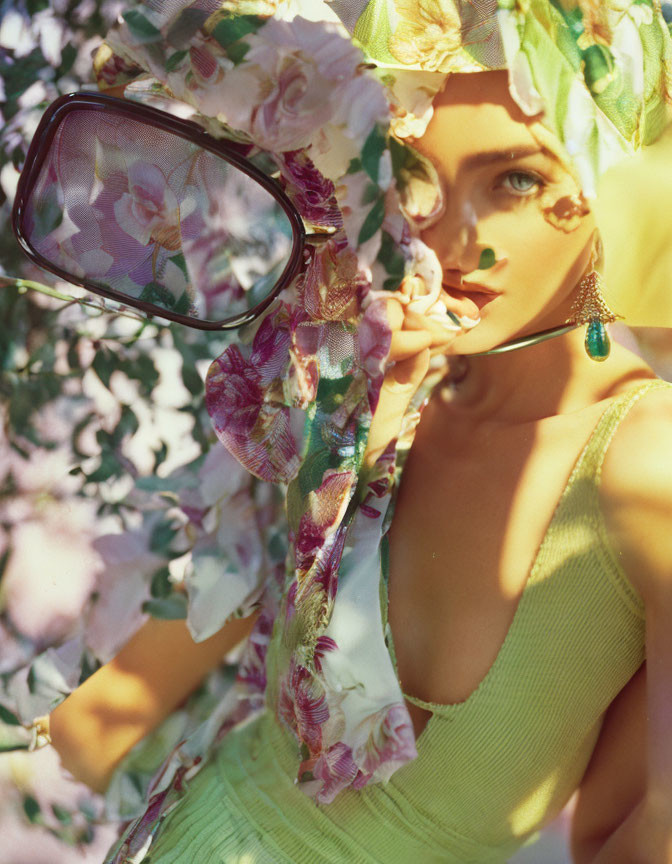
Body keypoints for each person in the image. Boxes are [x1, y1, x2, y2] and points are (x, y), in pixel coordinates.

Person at [30, 1, 672, 862]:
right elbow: (127, 700)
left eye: (515, 179)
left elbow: (635, 837)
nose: (450, 239)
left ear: (617, 189)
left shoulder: (647, 468)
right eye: (414, 180)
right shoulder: (365, 374)